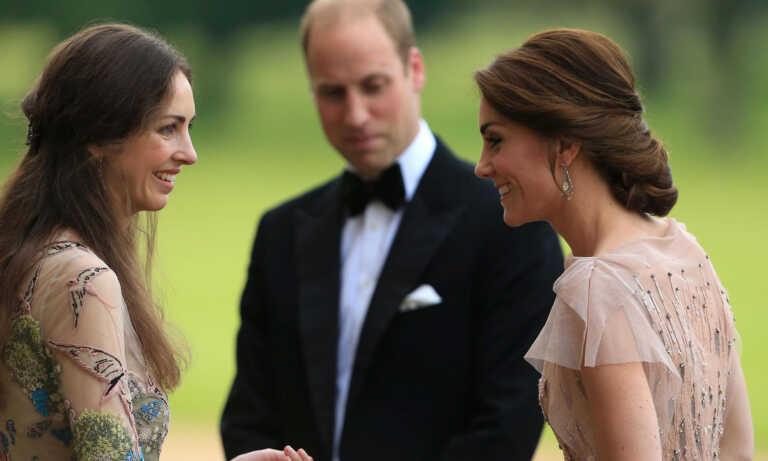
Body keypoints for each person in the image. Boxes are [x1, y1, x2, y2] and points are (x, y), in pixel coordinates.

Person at [220, 1, 563, 461]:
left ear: (414, 68)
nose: (356, 114)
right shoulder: (280, 232)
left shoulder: (509, 224)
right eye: (332, 93)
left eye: (373, 86)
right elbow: (248, 415)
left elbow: (506, 426)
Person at [0, 23, 307, 461]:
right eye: (168, 129)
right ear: (99, 138)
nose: (189, 152)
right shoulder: (82, 279)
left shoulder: (26, 251)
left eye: (189, 127)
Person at [474, 28, 754, 461]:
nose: (482, 166)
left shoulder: (597, 286)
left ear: (565, 144)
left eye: (495, 140)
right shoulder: (683, 249)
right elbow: (737, 449)